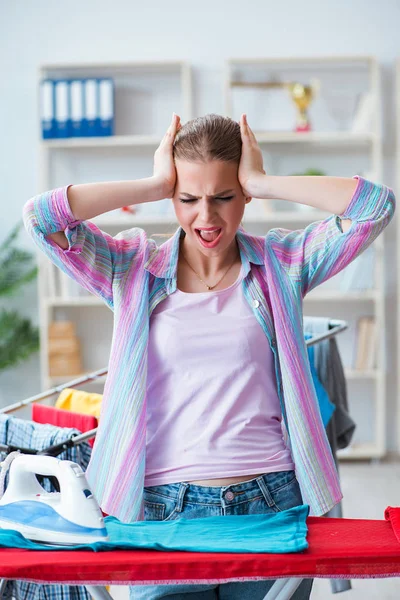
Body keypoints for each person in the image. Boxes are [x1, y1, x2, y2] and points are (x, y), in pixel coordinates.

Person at [23, 113, 395, 600]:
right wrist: (153, 182)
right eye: (188, 199)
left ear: (243, 194)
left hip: (270, 503)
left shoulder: (282, 266)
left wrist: (263, 180)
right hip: (160, 510)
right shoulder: (130, 268)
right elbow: (43, 218)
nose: (206, 217)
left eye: (223, 196)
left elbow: (375, 207)